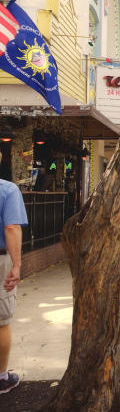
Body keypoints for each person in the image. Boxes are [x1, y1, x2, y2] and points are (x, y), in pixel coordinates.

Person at [0, 165, 28, 394]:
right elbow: (11, 226)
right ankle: (2, 377)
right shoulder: (7, 190)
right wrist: (17, 265)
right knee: (1, 320)